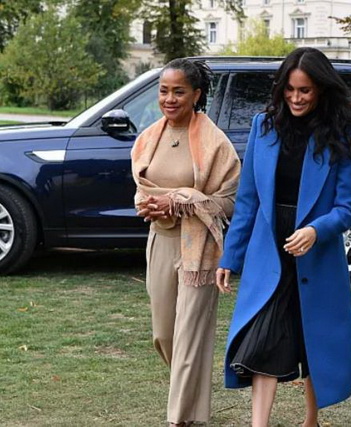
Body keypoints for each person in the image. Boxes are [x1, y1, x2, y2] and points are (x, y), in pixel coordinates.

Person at [215, 47, 351, 427]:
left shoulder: (340, 134)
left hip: (316, 254)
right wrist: (230, 257)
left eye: (305, 91)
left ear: (321, 90)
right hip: (269, 251)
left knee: (313, 341)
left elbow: (347, 208)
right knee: (263, 338)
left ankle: (311, 421)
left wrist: (316, 230)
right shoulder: (263, 127)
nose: (296, 98)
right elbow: (248, 200)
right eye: (290, 90)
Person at [131, 58, 241, 426]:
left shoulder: (215, 143)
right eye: (164, 91)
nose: (169, 98)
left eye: (178, 91)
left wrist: (181, 200)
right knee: (164, 335)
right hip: (161, 242)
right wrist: (148, 204)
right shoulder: (149, 138)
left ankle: (178, 420)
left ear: (196, 95)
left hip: (199, 248)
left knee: (190, 336)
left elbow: (229, 201)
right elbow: (143, 187)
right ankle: (193, 406)